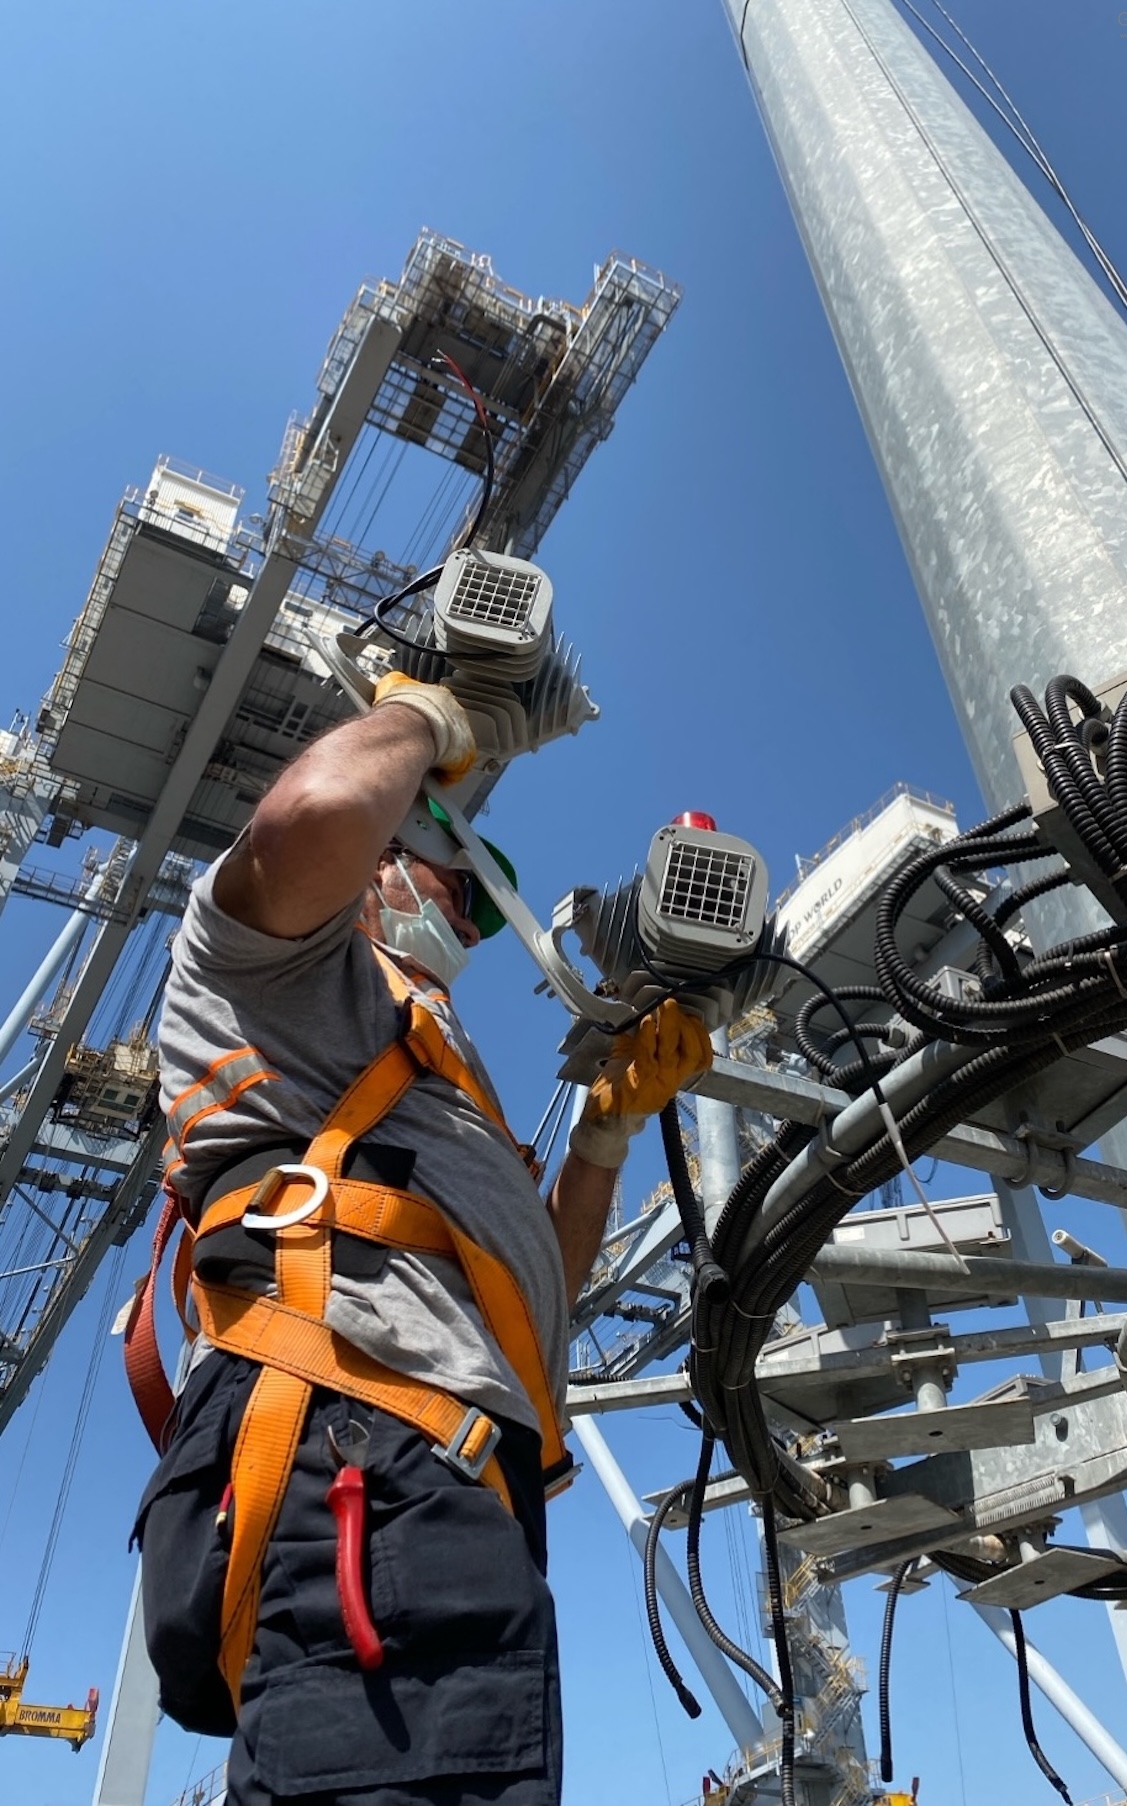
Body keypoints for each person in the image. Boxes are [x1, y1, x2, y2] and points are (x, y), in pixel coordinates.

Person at [131, 671, 711, 1806]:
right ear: (378, 863)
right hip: (357, 1449)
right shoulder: (267, 977)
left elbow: (531, 1307)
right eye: (458, 885)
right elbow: (310, 818)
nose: (469, 922)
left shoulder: (433, 1077)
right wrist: (444, 716)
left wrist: (604, 1136)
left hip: (438, 1477)